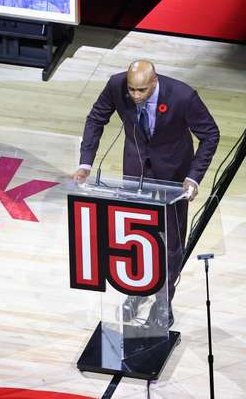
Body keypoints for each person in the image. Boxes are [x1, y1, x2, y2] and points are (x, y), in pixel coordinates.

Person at [73, 60, 219, 324]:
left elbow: (210, 134)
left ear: (154, 82)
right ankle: (135, 292)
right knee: (134, 236)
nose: (135, 96)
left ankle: (164, 302)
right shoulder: (116, 85)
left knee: (171, 244)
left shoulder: (183, 96)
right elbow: (96, 118)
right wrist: (85, 162)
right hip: (135, 170)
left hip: (174, 177)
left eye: (142, 90)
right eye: (132, 90)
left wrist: (193, 178)